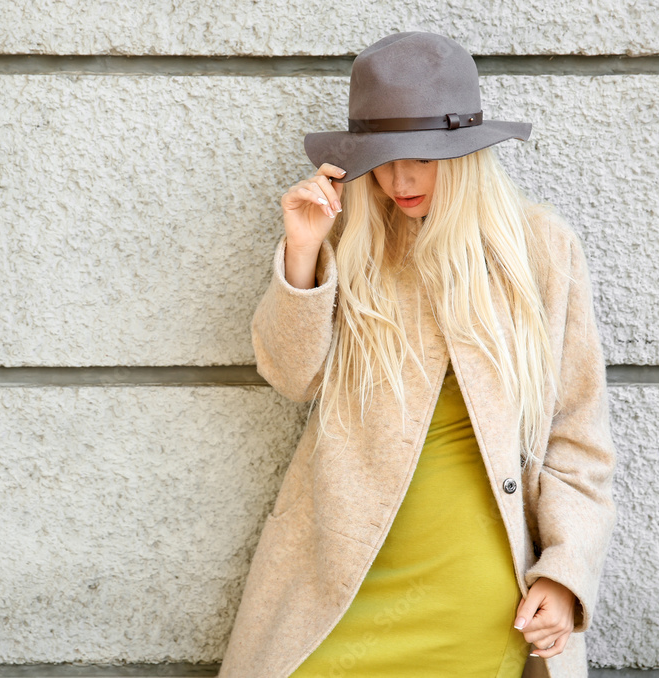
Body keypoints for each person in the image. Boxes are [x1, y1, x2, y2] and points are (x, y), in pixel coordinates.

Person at [217, 32, 618, 678]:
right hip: (335, 576)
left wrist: (567, 573)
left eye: (423, 159)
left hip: (475, 591)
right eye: (382, 157)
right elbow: (293, 375)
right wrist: (302, 252)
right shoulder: (352, 240)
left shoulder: (540, 251)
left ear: (463, 154)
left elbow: (578, 438)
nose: (399, 180)